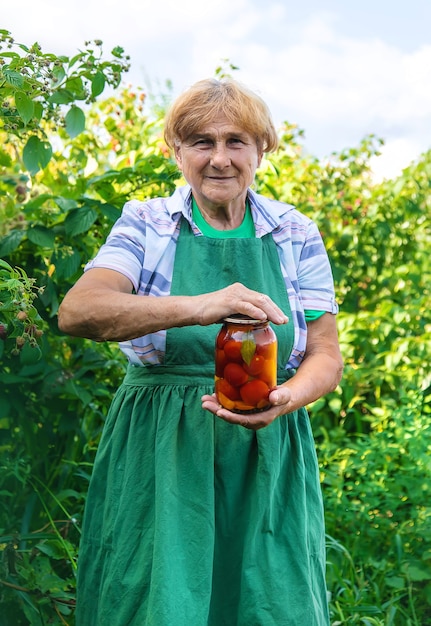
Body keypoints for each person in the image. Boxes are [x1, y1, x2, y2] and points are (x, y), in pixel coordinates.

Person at [58, 77, 343, 626]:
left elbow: (325, 355)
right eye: (200, 142)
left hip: (265, 449)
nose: (219, 158)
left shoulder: (295, 233)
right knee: (155, 600)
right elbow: (80, 311)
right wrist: (201, 305)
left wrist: (285, 399)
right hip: (160, 448)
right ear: (176, 151)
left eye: (236, 141)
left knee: (267, 602)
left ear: (263, 149)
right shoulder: (147, 224)